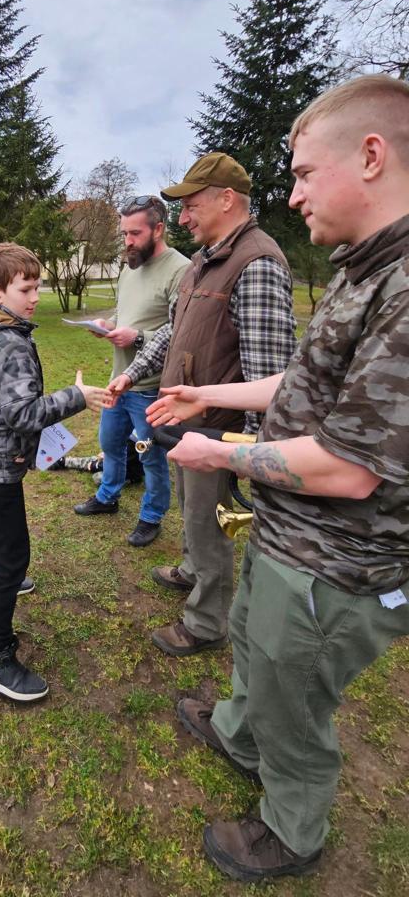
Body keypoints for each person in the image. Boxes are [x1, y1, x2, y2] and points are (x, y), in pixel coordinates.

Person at [145, 75, 409, 882]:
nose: (292, 196)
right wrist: (210, 396)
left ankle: (292, 830)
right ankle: (237, 732)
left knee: (294, 697)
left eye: (302, 173)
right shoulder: (362, 270)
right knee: (256, 647)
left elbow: (351, 470)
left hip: (340, 561)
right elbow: (300, 379)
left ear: (372, 156)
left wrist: (220, 452)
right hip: (290, 532)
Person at [108, 153, 296, 656]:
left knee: (210, 524)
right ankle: (191, 572)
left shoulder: (256, 263)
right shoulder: (203, 261)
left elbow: (272, 375)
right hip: (185, 421)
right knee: (191, 512)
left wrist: (251, 454)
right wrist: (131, 373)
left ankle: (207, 623)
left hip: (219, 430)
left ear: (227, 199)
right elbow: (172, 332)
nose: (184, 217)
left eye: (192, 205)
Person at [0, 242, 109, 701]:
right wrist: (77, 397)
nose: (35, 297)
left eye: (37, 286)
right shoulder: (7, 342)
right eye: (25, 289)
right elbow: (23, 415)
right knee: (13, 556)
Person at [74, 196, 190, 546]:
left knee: (151, 457)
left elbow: (181, 333)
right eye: (124, 233)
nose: (127, 241)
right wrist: (108, 325)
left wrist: (136, 337)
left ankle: (152, 516)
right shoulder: (129, 268)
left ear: (158, 229)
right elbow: (126, 315)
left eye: (135, 233)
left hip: (152, 388)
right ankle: (108, 496)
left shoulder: (181, 270)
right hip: (118, 380)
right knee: (110, 444)